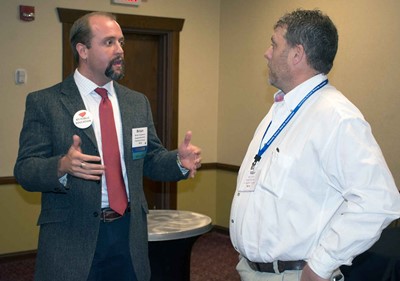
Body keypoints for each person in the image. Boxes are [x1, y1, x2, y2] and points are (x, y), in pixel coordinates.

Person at [14, 11, 201, 281]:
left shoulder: (137, 103)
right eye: (109, 42)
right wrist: (61, 166)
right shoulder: (47, 103)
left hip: (128, 234)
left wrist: (177, 162)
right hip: (72, 238)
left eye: (121, 42)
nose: (120, 50)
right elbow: (25, 170)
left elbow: (149, 158)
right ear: (83, 50)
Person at [229, 9, 400, 281]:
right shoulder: (281, 109)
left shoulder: (337, 117)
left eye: (274, 44)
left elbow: (379, 201)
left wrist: (321, 265)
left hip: (294, 276)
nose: (267, 53)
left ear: (297, 54)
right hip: (253, 270)